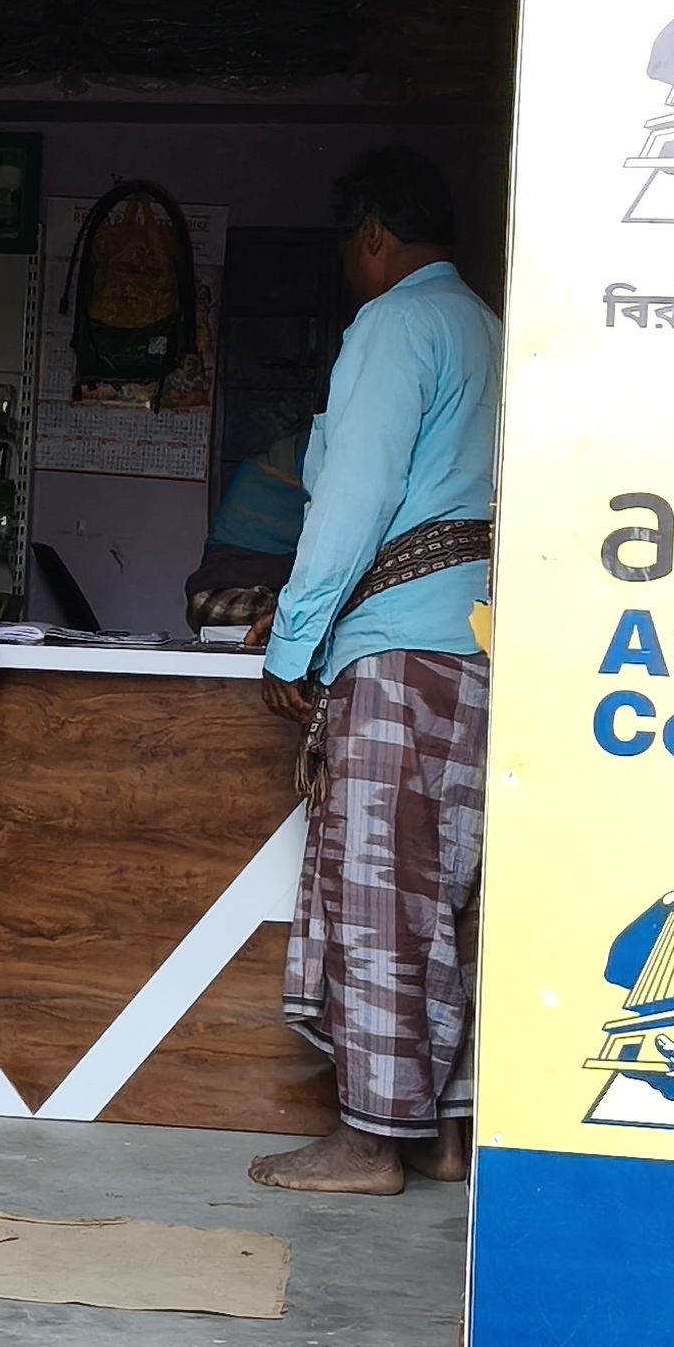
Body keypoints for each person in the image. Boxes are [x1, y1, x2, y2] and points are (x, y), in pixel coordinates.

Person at [251, 145, 501, 1197]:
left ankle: (367, 1142)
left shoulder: (397, 323)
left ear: (371, 237)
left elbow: (352, 494)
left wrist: (293, 637)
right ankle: (445, 1134)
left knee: (378, 899)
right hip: (478, 647)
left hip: (395, 649)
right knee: (450, 901)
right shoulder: (492, 328)